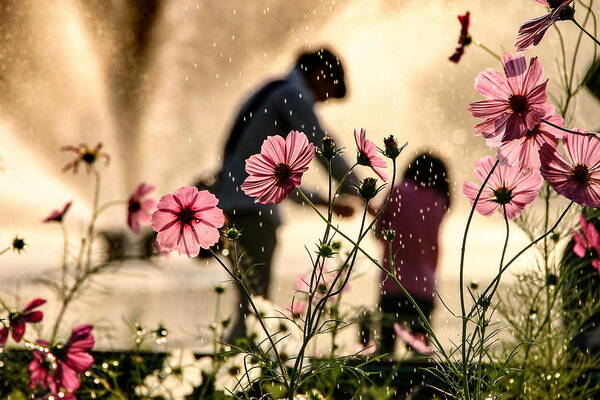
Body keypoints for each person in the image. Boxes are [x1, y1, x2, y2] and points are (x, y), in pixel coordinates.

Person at [212, 48, 359, 341]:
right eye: (326, 93)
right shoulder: (291, 95)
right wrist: (361, 190)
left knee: (251, 302)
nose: (322, 102)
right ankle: (238, 377)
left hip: (238, 206)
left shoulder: (272, 90)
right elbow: (322, 146)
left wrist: (326, 200)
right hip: (252, 212)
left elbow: (270, 175)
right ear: (319, 73)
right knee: (255, 307)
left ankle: (235, 372)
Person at [373, 153, 451, 355]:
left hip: (392, 282)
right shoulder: (439, 199)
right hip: (424, 285)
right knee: (419, 353)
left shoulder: (397, 192)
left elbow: (377, 232)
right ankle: (418, 387)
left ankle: (381, 385)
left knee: (384, 352)